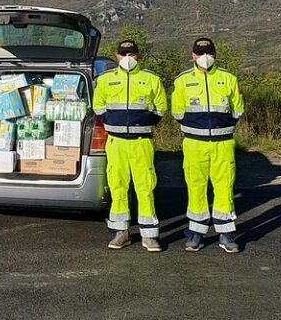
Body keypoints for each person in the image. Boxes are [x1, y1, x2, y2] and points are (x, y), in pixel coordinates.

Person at [93, 39, 167, 251]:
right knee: (118, 187)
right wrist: (111, 122)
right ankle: (120, 233)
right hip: (115, 142)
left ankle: (149, 236)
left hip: (141, 143)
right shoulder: (105, 79)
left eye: (131, 55)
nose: (127, 59)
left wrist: (145, 124)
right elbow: (98, 106)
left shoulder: (150, 79)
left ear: (138, 56)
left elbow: (161, 107)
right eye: (123, 54)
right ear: (117, 56)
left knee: (145, 187)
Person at [171, 37, 244, 253]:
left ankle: (226, 235)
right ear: (193, 55)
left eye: (209, 52)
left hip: (223, 143)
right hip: (194, 144)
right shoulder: (182, 80)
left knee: (224, 188)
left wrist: (224, 128)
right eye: (200, 53)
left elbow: (237, 110)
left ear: (215, 54)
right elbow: (177, 112)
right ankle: (195, 234)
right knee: (196, 188)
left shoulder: (228, 79)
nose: (205, 57)